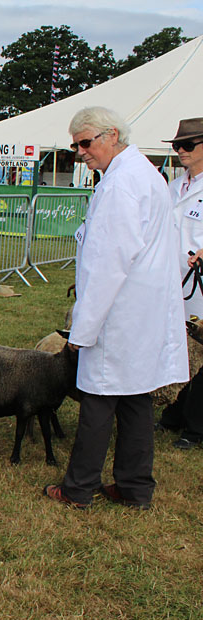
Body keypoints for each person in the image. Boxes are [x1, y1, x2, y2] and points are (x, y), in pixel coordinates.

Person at [44, 107, 188, 510]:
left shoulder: (121, 184)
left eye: (86, 142)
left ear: (111, 135)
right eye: (75, 146)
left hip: (120, 312)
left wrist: (82, 331)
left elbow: (108, 264)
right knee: (135, 399)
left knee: (99, 399)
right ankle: (134, 487)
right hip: (141, 309)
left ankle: (78, 488)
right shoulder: (145, 174)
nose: (81, 152)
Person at [157, 117, 203, 449]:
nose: (181, 151)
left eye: (187, 145)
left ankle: (194, 426)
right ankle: (177, 415)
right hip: (173, 284)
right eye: (177, 146)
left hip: (200, 285)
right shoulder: (173, 186)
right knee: (177, 351)